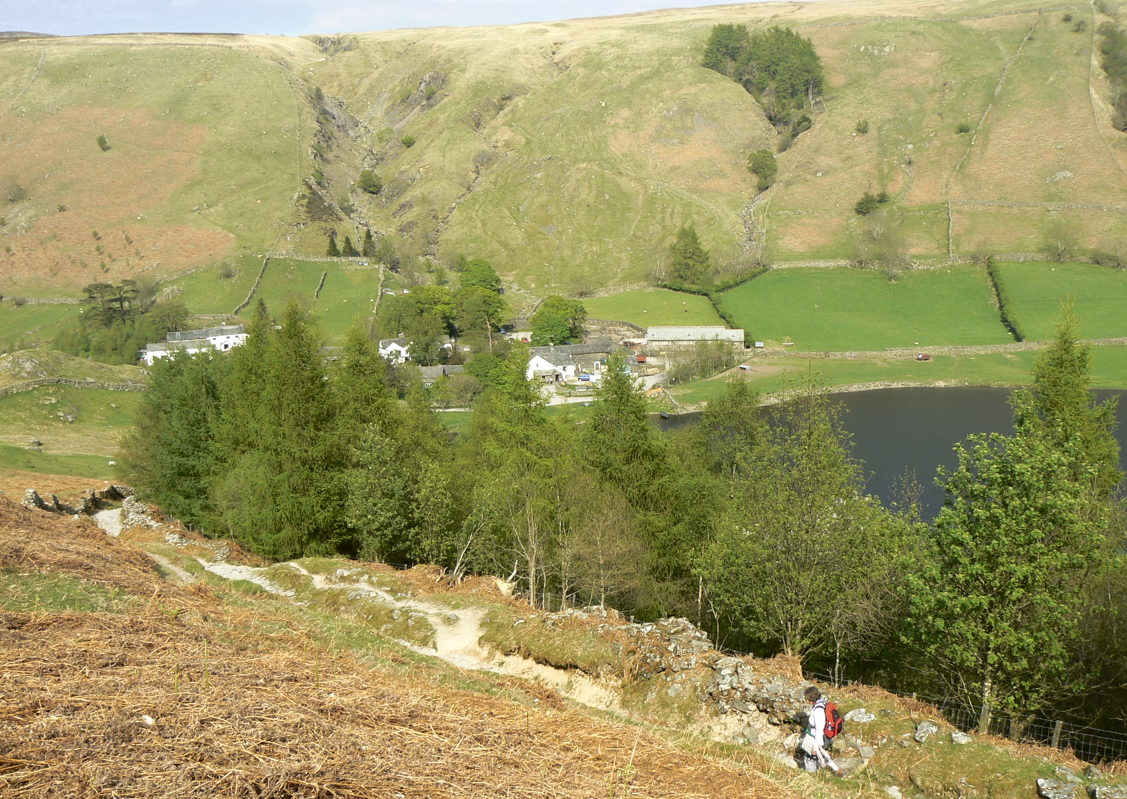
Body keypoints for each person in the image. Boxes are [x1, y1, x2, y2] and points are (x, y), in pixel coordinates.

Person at [800, 686, 844, 777]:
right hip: (819, 735)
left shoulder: (818, 710)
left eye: (806, 697)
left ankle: (810, 776)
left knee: (811, 755)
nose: (806, 699)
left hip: (816, 736)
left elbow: (819, 728)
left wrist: (815, 746)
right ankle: (836, 770)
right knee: (822, 753)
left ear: (810, 697)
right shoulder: (823, 703)